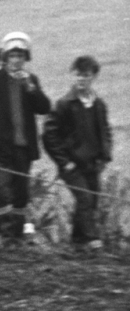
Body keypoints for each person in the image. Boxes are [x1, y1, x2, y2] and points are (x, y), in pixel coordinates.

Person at [0, 32, 51, 242]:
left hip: (23, 148)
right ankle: (5, 235)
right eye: (12, 56)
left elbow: (44, 108)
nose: (16, 60)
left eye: (21, 56)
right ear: (6, 58)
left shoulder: (31, 81)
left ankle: (18, 237)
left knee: (21, 195)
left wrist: (31, 88)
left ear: (26, 58)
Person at [42, 55, 112, 252]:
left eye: (86, 76)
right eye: (78, 75)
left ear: (94, 77)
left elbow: (105, 131)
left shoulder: (99, 104)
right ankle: (93, 241)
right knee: (85, 199)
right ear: (73, 76)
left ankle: (76, 244)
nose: (82, 80)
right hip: (72, 165)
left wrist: (104, 156)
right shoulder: (64, 104)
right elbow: (49, 136)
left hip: (93, 163)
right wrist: (64, 162)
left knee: (92, 202)